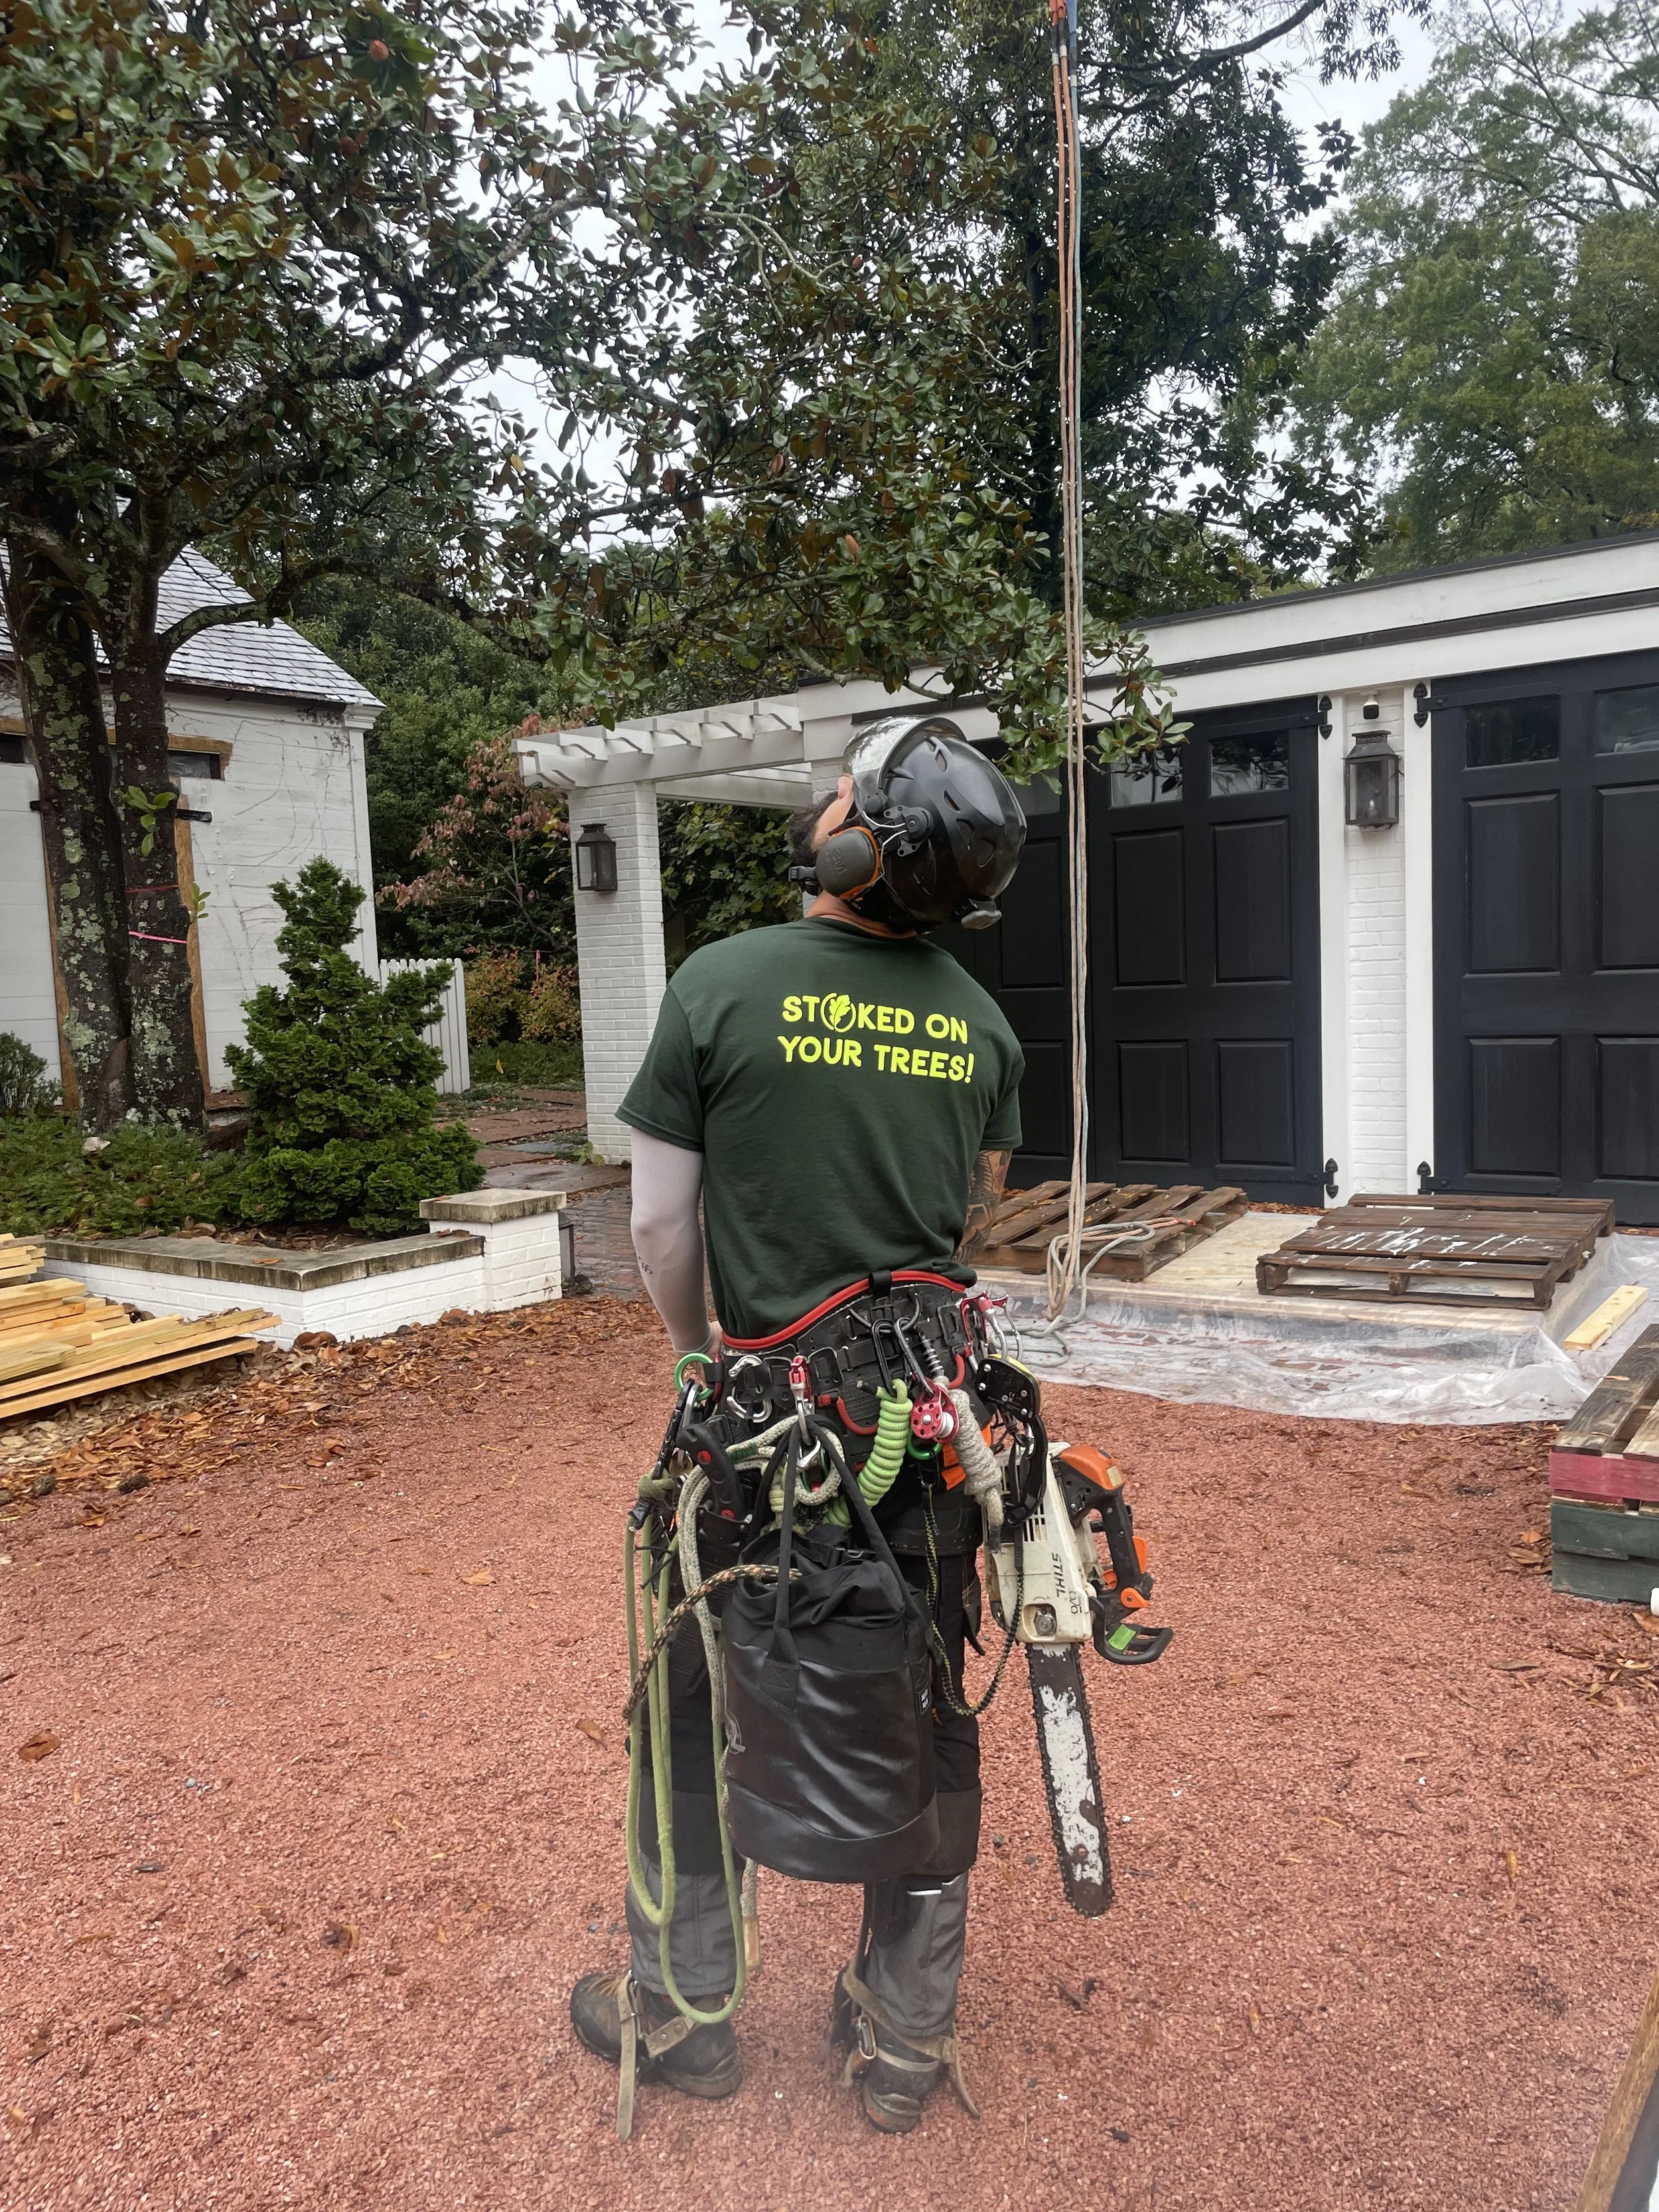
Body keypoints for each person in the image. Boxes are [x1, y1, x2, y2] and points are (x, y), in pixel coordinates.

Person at [570, 713, 1028, 2135]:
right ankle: (900, 2039)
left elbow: (655, 1223)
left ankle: (686, 2015)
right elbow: (971, 1212)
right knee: (919, 1697)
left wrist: (698, 1357)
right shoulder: (982, 1019)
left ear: (858, 837)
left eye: (844, 782)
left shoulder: (718, 984)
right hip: (928, 1437)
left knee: (697, 1709)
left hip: (761, 1445)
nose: (824, 790)